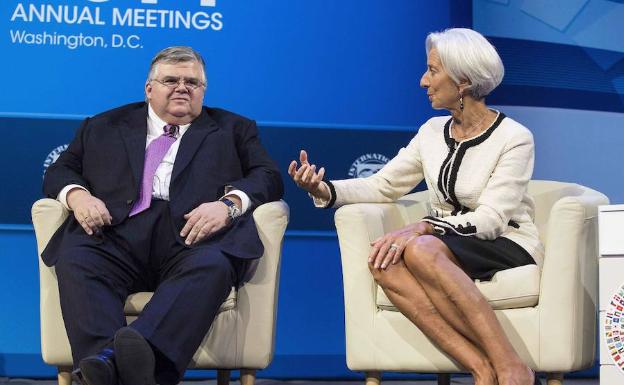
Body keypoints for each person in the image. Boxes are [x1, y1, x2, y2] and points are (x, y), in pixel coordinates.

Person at [289, 28, 542, 385]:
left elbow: (492, 218)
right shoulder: (431, 131)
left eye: (433, 70)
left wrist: (426, 227)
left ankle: (512, 367)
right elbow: (384, 184)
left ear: (464, 81)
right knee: (384, 263)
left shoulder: (513, 137)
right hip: (444, 244)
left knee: (421, 249)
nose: (424, 81)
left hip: (504, 242)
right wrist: (324, 188)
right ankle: (481, 368)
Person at [42, 46, 283, 385]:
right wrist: (78, 196)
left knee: (214, 266)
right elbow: (60, 170)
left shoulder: (234, 129)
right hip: (114, 233)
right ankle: (129, 368)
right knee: (76, 258)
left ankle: (106, 365)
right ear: (148, 88)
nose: (182, 87)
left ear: (203, 90)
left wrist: (228, 205)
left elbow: (268, 176)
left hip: (192, 237)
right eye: (171, 80)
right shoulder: (104, 125)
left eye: (192, 82)